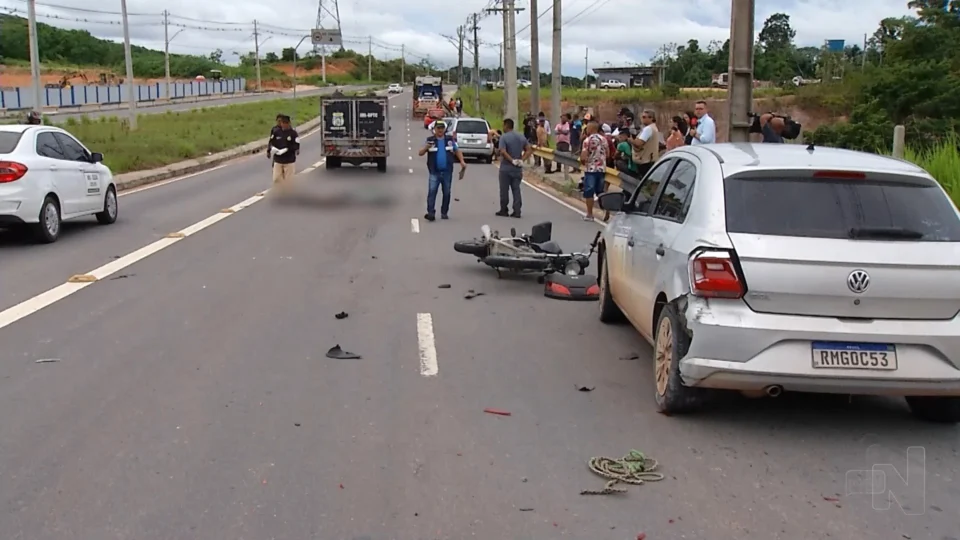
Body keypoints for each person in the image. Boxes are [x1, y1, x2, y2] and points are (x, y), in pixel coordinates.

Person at [418, 120, 466, 221]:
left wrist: (462, 161)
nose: (440, 130)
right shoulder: (430, 140)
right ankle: (431, 213)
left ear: (444, 129)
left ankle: (444, 212)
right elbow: (420, 153)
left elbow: (457, 150)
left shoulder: (449, 140)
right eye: (438, 128)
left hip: (447, 172)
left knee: (447, 193)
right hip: (434, 172)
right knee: (432, 192)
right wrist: (426, 147)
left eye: (442, 128)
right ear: (434, 129)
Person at [496, 118, 532, 218]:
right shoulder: (521, 136)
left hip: (506, 168)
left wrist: (511, 160)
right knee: (516, 189)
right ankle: (517, 211)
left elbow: (502, 151)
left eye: (503, 125)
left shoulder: (504, 137)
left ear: (506, 126)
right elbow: (529, 150)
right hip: (517, 169)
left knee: (504, 190)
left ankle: (504, 209)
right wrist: (521, 160)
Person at [579, 121, 607, 222]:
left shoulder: (587, 140)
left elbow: (583, 156)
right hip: (602, 168)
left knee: (589, 191)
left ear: (590, 129)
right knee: (600, 191)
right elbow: (608, 153)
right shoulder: (603, 139)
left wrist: (583, 161)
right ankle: (606, 208)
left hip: (591, 169)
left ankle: (589, 214)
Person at [268, 114, 299, 188]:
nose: (284, 125)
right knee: (276, 178)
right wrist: (270, 150)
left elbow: (296, 145)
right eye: (282, 123)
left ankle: (288, 192)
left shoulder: (293, 134)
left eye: (286, 123)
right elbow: (271, 142)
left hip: (289, 160)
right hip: (278, 159)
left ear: (289, 123)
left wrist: (287, 149)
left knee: (289, 181)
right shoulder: (276, 132)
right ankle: (280, 191)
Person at [629, 109, 660, 180]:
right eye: (642, 117)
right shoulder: (653, 128)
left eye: (644, 117)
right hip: (650, 159)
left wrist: (630, 140)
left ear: (651, 118)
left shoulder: (648, 129)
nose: (642, 119)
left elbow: (639, 143)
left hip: (645, 161)